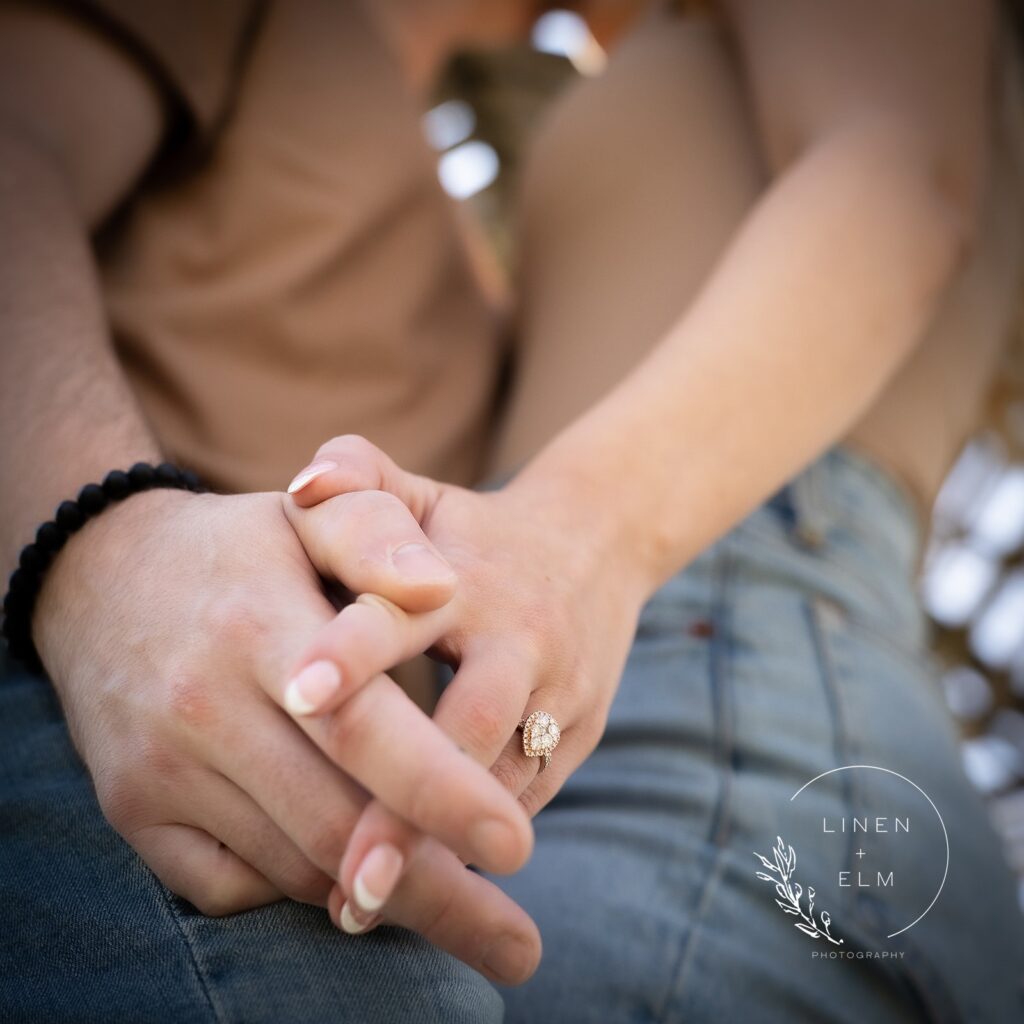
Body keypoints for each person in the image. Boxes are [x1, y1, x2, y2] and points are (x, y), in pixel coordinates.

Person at [1, 3, 1023, 1024]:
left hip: (718, 663)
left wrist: (575, 532)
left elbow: (899, 175)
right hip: (697, 719)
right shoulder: (392, 188)